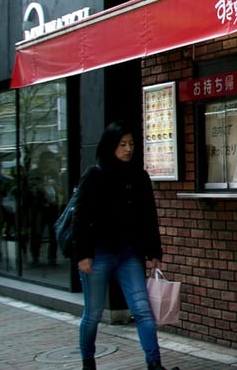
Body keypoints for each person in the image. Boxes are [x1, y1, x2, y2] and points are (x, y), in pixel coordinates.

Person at [71, 121, 178, 370]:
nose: (128, 149)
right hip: (98, 254)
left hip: (129, 253)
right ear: (111, 146)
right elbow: (81, 217)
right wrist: (83, 254)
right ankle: (88, 361)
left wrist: (154, 252)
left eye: (131, 144)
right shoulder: (94, 175)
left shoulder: (139, 176)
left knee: (142, 310)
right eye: (122, 144)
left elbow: (149, 217)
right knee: (94, 313)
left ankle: (154, 363)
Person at [30, 151, 61, 265]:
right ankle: (35, 255)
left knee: (54, 232)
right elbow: (30, 190)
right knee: (37, 231)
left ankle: (52, 256)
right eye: (47, 163)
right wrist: (40, 187)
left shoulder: (54, 173)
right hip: (38, 207)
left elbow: (60, 190)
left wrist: (53, 185)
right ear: (41, 161)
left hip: (52, 206)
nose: (48, 165)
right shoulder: (34, 173)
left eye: (50, 163)